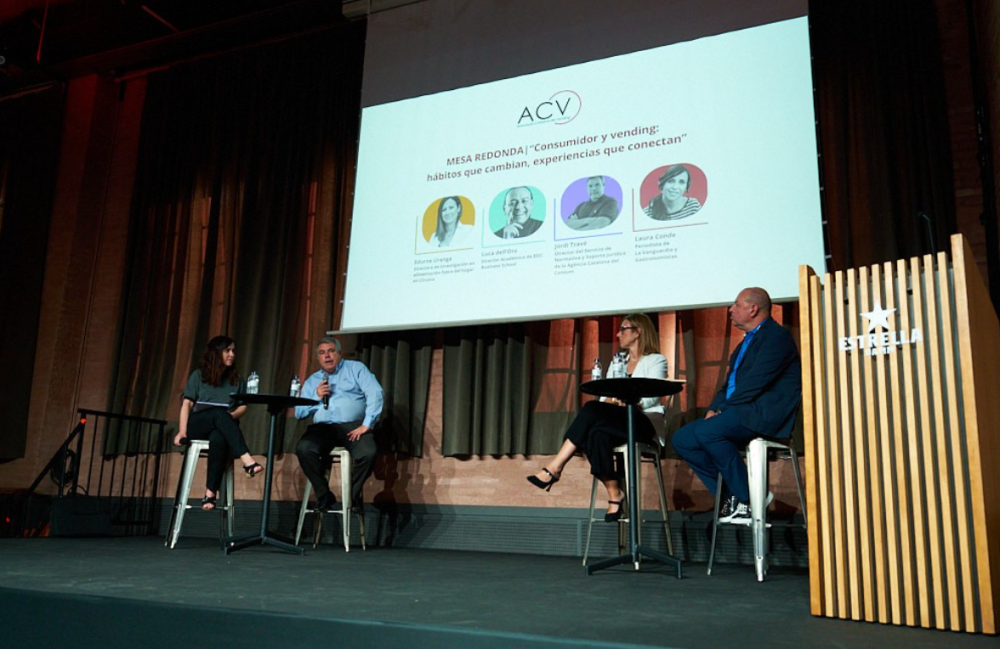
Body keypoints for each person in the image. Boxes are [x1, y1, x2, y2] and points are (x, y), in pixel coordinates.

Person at [671, 287, 801, 524]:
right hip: (738, 411)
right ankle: (731, 497)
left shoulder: (776, 337)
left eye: (737, 304)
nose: (730, 309)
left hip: (762, 413)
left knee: (708, 431)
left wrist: (722, 412)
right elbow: (727, 387)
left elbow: (755, 383)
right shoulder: (743, 345)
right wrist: (713, 409)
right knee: (683, 439)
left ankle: (749, 498)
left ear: (753, 309)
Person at [527, 313, 666, 521]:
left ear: (638, 332)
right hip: (618, 421)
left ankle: (556, 466)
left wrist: (624, 400)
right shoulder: (618, 361)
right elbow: (605, 397)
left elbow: (652, 395)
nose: (618, 334)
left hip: (643, 423)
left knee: (591, 409)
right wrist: (614, 401)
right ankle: (614, 494)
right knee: (596, 434)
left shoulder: (656, 360)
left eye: (623, 329)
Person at [173, 335, 263, 511]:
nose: (232, 354)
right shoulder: (198, 375)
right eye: (227, 350)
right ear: (216, 353)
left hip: (222, 424)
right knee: (217, 413)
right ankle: (248, 460)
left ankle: (210, 493)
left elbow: (243, 407)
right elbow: (187, 404)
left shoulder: (237, 379)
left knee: (220, 438)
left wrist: (229, 416)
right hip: (198, 424)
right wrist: (182, 431)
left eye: (233, 351)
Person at [295, 336, 384, 512]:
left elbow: (376, 392)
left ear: (339, 353)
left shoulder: (355, 369)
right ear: (318, 358)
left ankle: (351, 495)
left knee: (368, 453)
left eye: (331, 351)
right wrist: (316, 396)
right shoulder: (313, 380)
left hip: (353, 427)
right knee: (304, 449)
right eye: (322, 353)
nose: (327, 356)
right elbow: (299, 412)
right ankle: (324, 494)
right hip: (323, 429)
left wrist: (366, 424)